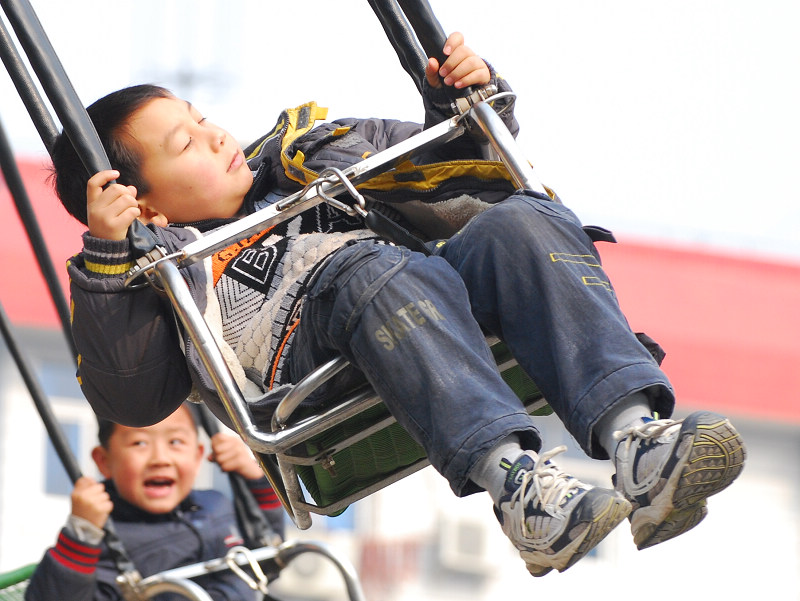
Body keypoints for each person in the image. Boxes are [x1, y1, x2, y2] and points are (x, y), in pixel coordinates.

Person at [51, 32, 746, 577]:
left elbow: (452, 173)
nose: (213, 136)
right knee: (366, 268)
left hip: (425, 299)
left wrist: (462, 107)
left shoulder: (312, 151)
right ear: (143, 202)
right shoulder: (162, 276)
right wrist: (112, 258)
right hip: (311, 361)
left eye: (202, 121)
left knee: (520, 220)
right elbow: (133, 393)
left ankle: (637, 441)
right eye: (184, 145)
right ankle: (519, 485)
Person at [25, 403, 285, 601]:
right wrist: (82, 533)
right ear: (104, 461)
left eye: (175, 442)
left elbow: (268, 558)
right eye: (139, 443)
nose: (160, 458)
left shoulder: (216, 505)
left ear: (197, 455)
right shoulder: (106, 537)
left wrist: (255, 477)